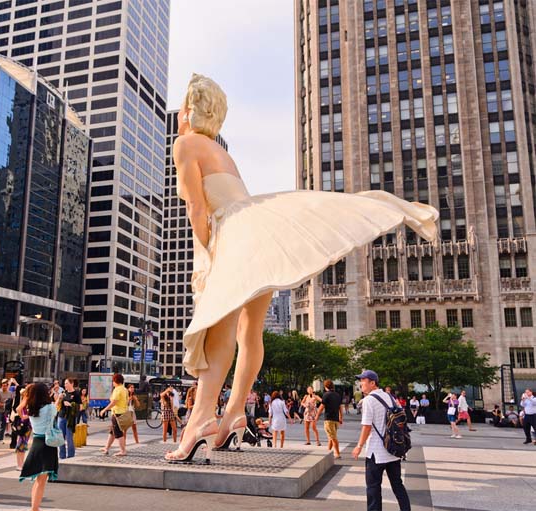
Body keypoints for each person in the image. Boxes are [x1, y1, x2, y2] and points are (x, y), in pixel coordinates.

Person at [164, 73, 438, 463]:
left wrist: (209, 257)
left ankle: (200, 422)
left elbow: (196, 208)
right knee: (249, 330)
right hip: (260, 230)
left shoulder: (186, 143)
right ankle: (235, 413)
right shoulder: (222, 152)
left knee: (219, 331)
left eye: (182, 106)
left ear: (190, 110)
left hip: (235, 235)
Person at [352, 370, 411, 511]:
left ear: (373, 383)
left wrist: (359, 445)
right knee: (397, 484)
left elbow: (366, 426)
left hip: (375, 452)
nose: (361, 384)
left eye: (363, 381)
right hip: (393, 449)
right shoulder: (389, 396)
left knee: (373, 488)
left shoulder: (368, 400)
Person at [18, 383, 59, 511]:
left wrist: (26, 398)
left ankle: (34, 507)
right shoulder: (50, 407)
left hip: (36, 442)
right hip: (48, 444)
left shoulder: (31, 409)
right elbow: (55, 410)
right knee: (42, 480)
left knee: (38, 479)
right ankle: (34, 508)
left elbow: (19, 409)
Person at [100, 373, 128, 456]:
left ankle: (123, 451)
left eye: (113, 381)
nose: (112, 383)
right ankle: (107, 447)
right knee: (112, 432)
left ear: (116, 381)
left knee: (118, 433)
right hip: (122, 412)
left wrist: (104, 410)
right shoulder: (124, 389)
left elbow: (114, 402)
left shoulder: (117, 389)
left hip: (117, 414)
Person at [317, 379, 343, 458]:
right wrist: (340, 417)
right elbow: (340, 407)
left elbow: (322, 407)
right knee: (331, 436)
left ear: (325, 387)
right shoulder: (337, 395)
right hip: (336, 419)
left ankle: (337, 453)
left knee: (333, 437)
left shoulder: (326, 395)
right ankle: (328, 451)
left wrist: (317, 416)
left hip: (329, 419)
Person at [56, 378, 81, 459]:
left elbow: (80, 407)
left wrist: (70, 405)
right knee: (60, 436)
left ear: (72, 383)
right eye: (65, 383)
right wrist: (59, 398)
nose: (65, 385)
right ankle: (62, 455)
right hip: (61, 416)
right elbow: (57, 405)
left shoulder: (76, 394)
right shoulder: (63, 393)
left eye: (66, 383)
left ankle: (70, 455)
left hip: (70, 418)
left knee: (69, 437)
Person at [13, 388, 32, 471]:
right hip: (25, 423)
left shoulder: (28, 399)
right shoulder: (26, 399)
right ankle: (20, 464)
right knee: (21, 442)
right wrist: (23, 416)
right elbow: (18, 409)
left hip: (27, 424)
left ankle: (21, 464)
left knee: (23, 443)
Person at [0, 378, 14, 443]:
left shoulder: (10, 393)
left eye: (5, 385)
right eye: (3, 385)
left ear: (8, 386)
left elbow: (11, 402)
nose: (4, 387)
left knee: (4, 425)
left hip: (6, 412)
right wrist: (3, 404)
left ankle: (0, 439)